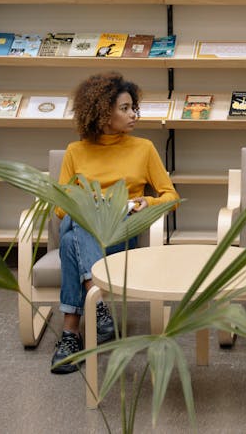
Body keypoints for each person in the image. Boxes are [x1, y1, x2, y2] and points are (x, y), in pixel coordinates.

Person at [50, 72, 179, 374]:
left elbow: (171, 197)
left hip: (121, 232)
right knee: (74, 228)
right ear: (102, 112)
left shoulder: (144, 148)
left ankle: (72, 334)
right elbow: (59, 209)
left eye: (133, 107)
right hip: (84, 230)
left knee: (74, 231)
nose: (133, 114)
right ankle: (90, 313)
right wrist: (86, 205)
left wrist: (148, 202)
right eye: (124, 108)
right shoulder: (75, 151)